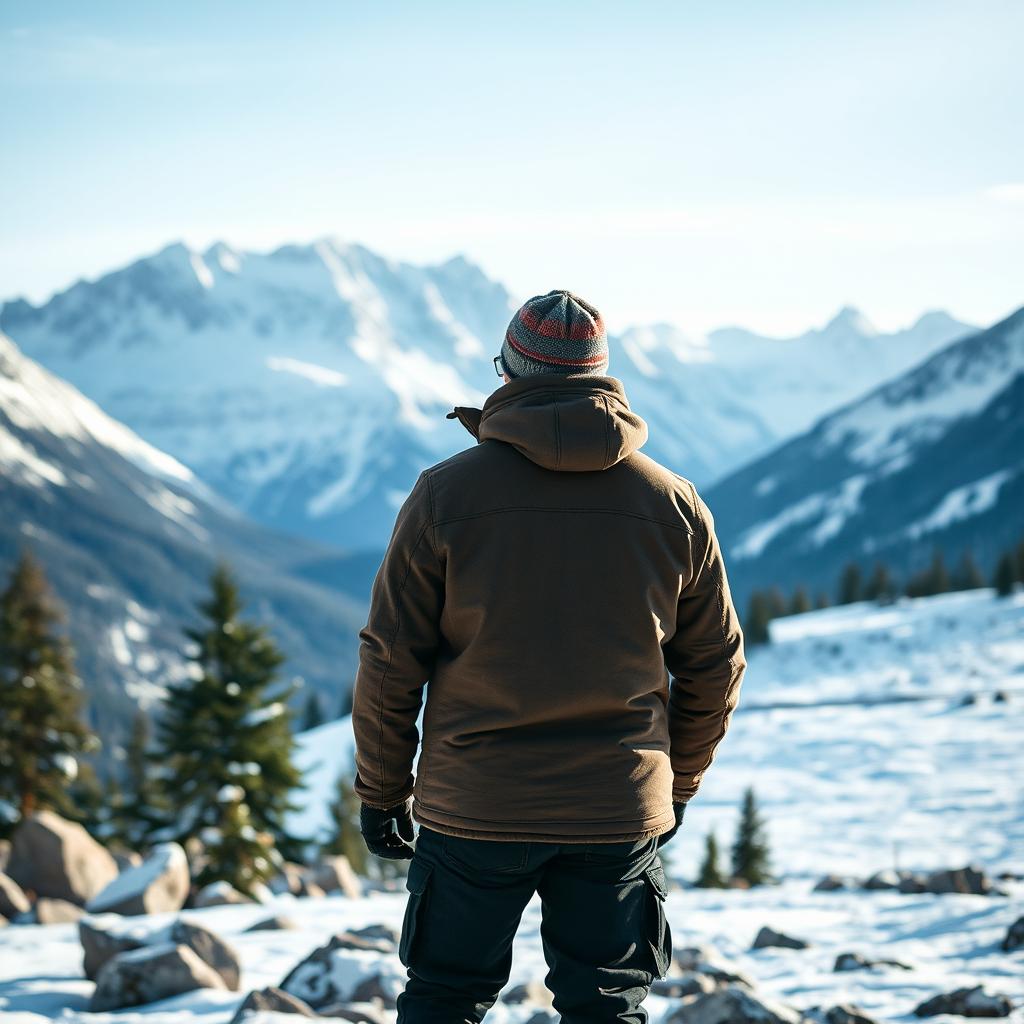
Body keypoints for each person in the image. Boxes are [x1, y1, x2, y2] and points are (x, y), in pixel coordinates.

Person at [352, 288, 746, 1023]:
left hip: (474, 806)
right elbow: (716, 665)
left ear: (508, 374)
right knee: (605, 1005)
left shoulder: (445, 496)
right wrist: (677, 783)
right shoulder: (674, 504)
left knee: (444, 997)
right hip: (616, 806)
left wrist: (381, 791)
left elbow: (390, 657)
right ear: (601, 377)